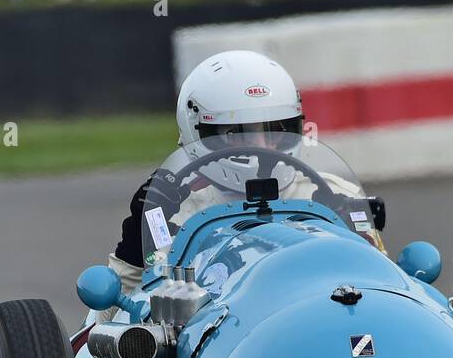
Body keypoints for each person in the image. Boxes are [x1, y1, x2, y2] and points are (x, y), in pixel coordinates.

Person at [103, 50, 373, 317]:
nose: (262, 147)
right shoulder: (172, 216)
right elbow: (115, 328)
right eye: (237, 134)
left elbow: (380, 289)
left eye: (275, 130)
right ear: (198, 130)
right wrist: (134, 249)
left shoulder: (334, 196)